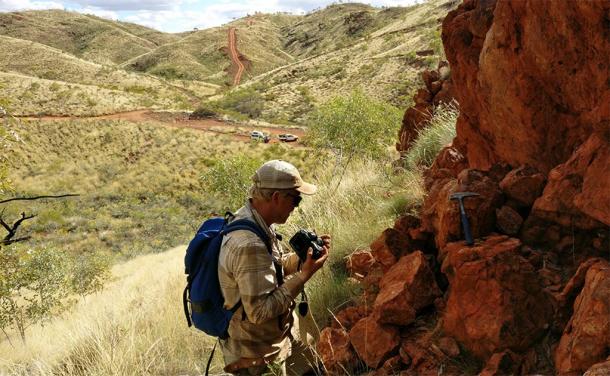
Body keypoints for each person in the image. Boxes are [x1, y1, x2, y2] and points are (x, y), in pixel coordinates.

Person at [218, 160, 330, 375]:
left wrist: (303, 259)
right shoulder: (248, 244)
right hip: (258, 358)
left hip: (280, 339)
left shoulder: (255, 221)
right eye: (295, 199)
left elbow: (271, 266)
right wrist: (304, 275)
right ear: (277, 197)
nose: (296, 206)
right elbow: (259, 312)